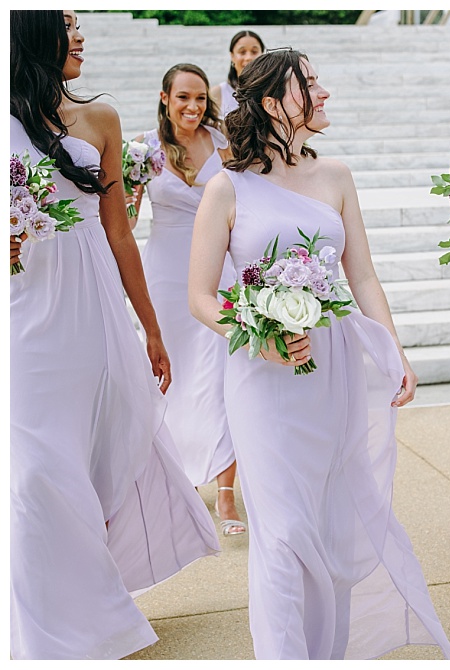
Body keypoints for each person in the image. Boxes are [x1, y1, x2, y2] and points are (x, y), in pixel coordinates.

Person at [188, 48, 450, 659]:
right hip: (260, 373)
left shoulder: (335, 175)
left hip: (330, 364)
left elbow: (361, 277)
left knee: (331, 523)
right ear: (271, 101)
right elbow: (201, 298)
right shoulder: (226, 187)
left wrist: (394, 351)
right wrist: (263, 335)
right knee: (281, 532)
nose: (324, 92)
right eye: (308, 84)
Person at [10, 10, 218, 659]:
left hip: (94, 312)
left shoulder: (98, 117)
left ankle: (86, 590)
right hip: (22, 318)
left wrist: (152, 329)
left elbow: (121, 233)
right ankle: (55, 619)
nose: (80, 34)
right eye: (66, 24)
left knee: (98, 456)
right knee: (35, 469)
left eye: (80, 24)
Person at [130, 63, 246, 536]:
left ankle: (224, 492)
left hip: (220, 270)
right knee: (172, 376)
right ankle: (172, 480)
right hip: (165, 272)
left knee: (221, 373)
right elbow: (126, 217)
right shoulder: (142, 148)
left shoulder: (225, 142)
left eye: (200, 98)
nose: (193, 107)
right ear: (164, 98)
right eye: (183, 98)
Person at [210, 29, 263, 119]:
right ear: (232, 56)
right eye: (242, 52)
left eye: (254, 52)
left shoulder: (273, 91)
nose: (248, 57)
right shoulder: (216, 94)